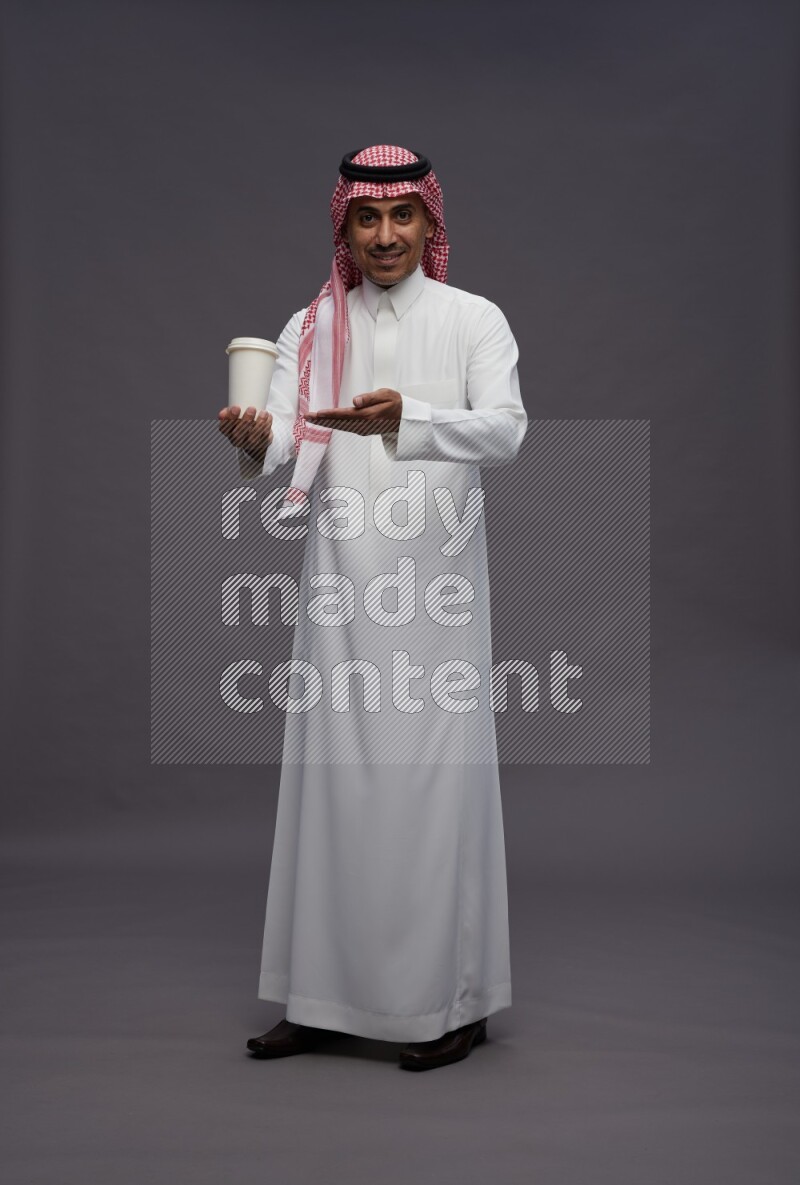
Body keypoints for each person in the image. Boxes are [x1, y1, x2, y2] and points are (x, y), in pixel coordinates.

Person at [218, 145, 527, 1071]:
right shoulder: (311, 327)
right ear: (345, 227)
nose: (386, 235)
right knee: (331, 788)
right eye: (368, 219)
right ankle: (321, 999)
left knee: (431, 793)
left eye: (404, 218)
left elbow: (507, 429)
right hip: (338, 596)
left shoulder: (474, 321)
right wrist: (251, 436)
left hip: (432, 603)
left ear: (431, 225)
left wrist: (409, 422)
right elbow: (278, 451)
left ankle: (453, 1002)